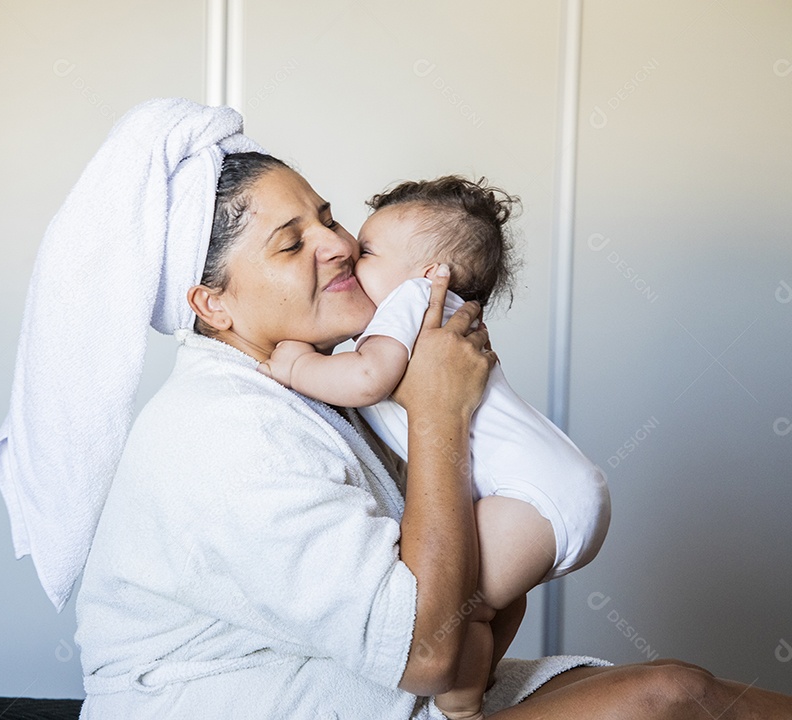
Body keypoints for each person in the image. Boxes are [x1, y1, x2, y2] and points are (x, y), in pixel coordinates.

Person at [74, 148, 792, 720]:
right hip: (246, 704)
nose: (337, 244)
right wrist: (440, 414)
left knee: (677, 689)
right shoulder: (222, 430)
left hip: (361, 681)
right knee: (667, 699)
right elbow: (429, 655)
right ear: (211, 305)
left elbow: (459, 594)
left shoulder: (324, 387)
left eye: (326, 215)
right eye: (291, 243)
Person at [257, 175, 611, 719]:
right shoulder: (421, 311)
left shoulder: (415, 301)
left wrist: (299, 364)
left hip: (535, 499)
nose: (349, 251)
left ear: (430, 273)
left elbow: (368, 378)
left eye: (369, 251)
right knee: (492, 600)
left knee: (458, 610)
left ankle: (464, 707)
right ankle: (482, 673)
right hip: (554, 491)